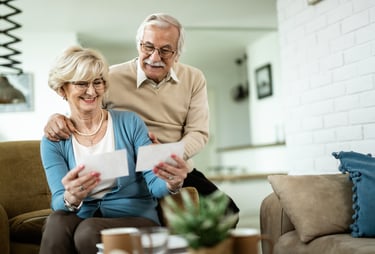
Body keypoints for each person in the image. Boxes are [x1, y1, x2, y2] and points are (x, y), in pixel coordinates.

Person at [44, 13, 240, 216]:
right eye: (148, 47)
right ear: (138, 44)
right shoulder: (111, 77)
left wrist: (162, 156)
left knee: (227, 212)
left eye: (165, 50)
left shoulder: (194, 78)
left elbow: (198, 133)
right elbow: (86, 111)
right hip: (127, 174)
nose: (155, 57)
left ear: (177, 53)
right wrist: (57, 117)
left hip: (171, 166)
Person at [39, 46, 189, 254]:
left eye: (97, 82)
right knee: (56, 221)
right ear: (62, 90)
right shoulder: (53, 140)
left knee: (88, 231)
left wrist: (172, 182)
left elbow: (154, 183)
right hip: (84, 216)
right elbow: (59, 202)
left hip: (137, 217)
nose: (91, 91)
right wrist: (71, 197)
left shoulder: (130, 122)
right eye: (82, 83)